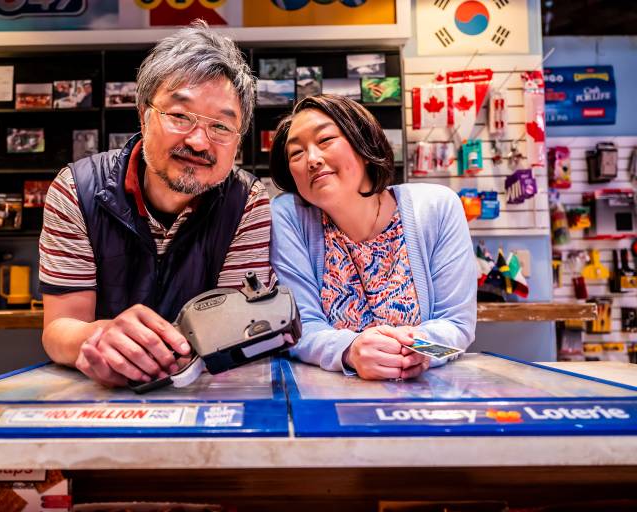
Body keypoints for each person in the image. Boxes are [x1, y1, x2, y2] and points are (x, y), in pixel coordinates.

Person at [39, 20, 272, 387]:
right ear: (143, 116)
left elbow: (231, 329)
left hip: (204, 391)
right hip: (101, 393)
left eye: (222, 127)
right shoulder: (77, 190)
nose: (198, 141)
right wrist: (97, 338)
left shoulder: (248, 203)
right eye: (180, 116)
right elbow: (59, 327)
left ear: (238, 140)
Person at [269, 95, 476, 381]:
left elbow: (458, 326)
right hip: (328, 403)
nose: (313, 159)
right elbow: (299, 329)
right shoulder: (289, 216)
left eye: (325, 139)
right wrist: (350, 351)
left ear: (363, 144)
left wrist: (420, 349)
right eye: (296, 153)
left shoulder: (437, 207)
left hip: (422, 401)